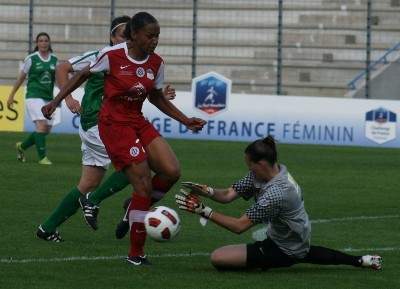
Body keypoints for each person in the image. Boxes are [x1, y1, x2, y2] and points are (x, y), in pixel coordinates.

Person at [41, 12, 207, 266]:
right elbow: (80, 75)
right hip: (112, 124)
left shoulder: (157, 63)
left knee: (171, 171)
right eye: (150, 36)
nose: (155, 41)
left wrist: (185, 120)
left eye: (157, 36)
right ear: (134, 35)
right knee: (142, 185)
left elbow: (155, 97)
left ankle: (133, 209)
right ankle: (135, 254)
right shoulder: (112, 56)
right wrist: (56, 102)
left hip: (136, 119)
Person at [176, 136, 382, 271]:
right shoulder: (266, 173)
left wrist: (203, 211)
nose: (248, 168)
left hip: (283, 247)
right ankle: (359, 260)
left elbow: (239, 226)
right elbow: (229, 195)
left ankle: (271, 260)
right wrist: (208, 191)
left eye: (249, 164)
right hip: (291, 235)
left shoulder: (277, 192)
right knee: (306, 252)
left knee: (218, 258)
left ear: (261, 164)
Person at [7, 32, 58, 165]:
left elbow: (58, 80)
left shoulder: (54, 60)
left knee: (46, 130)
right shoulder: (31, 59)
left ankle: (22, 146)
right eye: (40, 41)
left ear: (49, 43)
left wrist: (65, 94)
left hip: (49, 98)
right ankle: (42, 158)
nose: (43, 43)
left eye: (46, 41)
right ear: (36, 44)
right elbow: (21, 77)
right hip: (34, 96)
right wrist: (11, 95)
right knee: (42, 125)